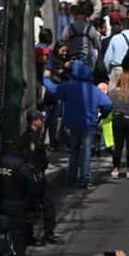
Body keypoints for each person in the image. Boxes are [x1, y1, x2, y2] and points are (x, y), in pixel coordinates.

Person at [42, 59, 114, 189]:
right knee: (86, 152)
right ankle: (85, 179)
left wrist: (46, 77)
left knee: (74, 151)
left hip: (72, 123)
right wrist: (102, 115)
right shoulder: (93, 89)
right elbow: (108, 104)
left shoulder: (68, 87)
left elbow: (53, 88)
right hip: (88, 124)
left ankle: (72, 177)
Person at [0, 144, 37, 254]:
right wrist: (32, 208)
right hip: (17, 206)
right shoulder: (23, 167)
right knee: (18, 234)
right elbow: (32, 189)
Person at [20, 110, 58, 245]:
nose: (42, 122)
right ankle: (28, 237)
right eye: (40, 119)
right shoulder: (29, 137)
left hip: (40, 177)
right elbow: (29, 157)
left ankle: (49, 233)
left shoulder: (38, 136)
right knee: (31, 208)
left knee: (49, 205)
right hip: (32, 178)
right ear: (34, 121)